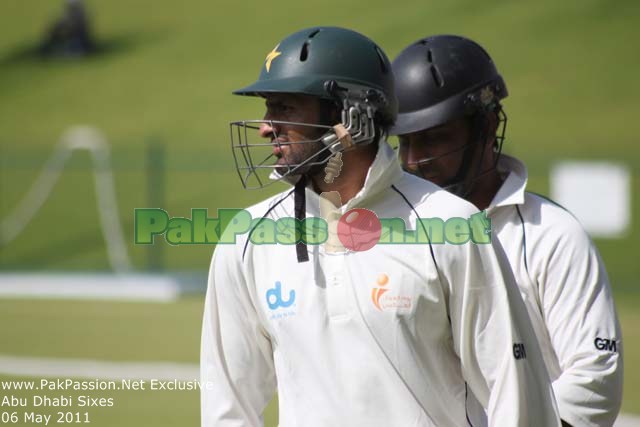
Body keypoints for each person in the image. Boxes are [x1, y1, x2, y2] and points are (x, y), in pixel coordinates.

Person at [201, 27, 561, 426]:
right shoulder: (247, 239)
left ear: (350, 117)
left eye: (285, 108)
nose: (266, 127)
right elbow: (227, 408)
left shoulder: (453, 226)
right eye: (270, 108)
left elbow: (515, 394)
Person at [390, 34, 623, 427]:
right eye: (404, 142)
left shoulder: (551, 234)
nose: (413, 161)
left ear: (487, 126)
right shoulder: (391, 234)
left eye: (433, 139)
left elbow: (595, 378)